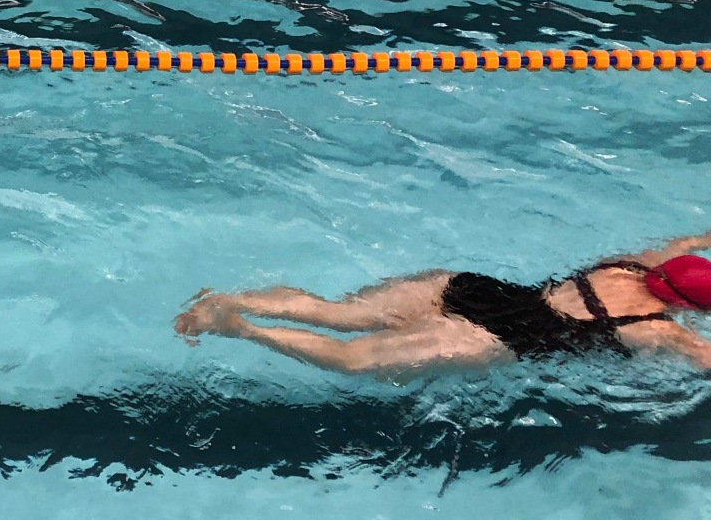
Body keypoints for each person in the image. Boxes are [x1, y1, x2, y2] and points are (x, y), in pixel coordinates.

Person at [174, 232, 711, 378]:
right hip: (496, 338)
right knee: (352, 360)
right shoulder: (658, 330)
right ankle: (239, 328)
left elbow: (687, 242)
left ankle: (227, 297)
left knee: (335, 312)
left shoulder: (632, 264)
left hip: (468, 289)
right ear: (689, 307)